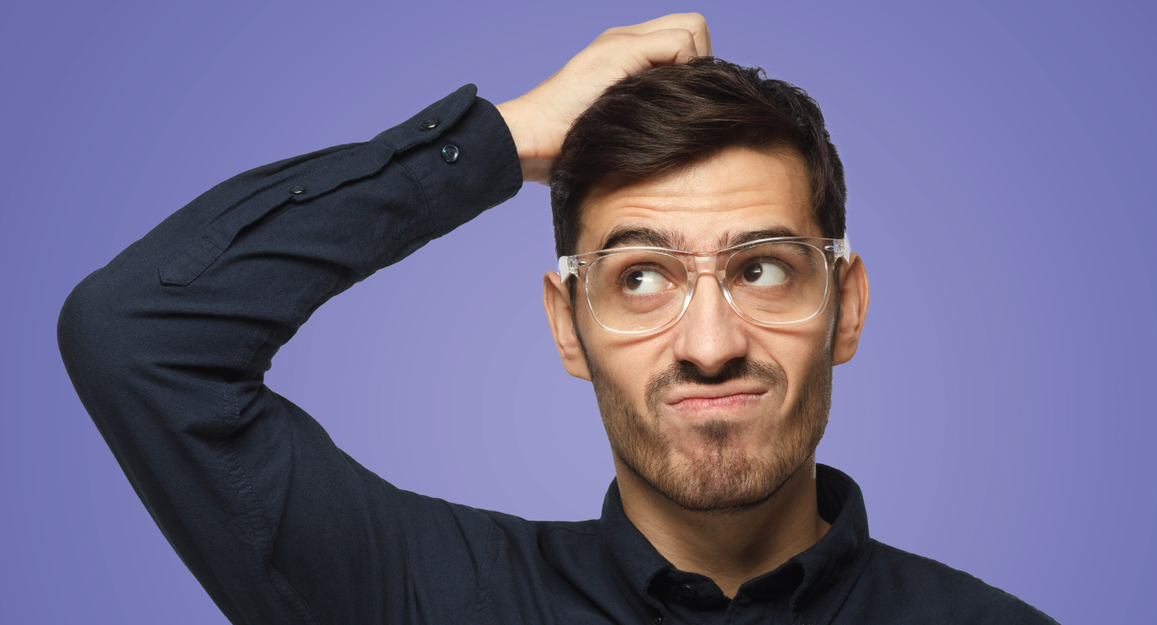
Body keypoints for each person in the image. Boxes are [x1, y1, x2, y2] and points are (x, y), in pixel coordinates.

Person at [58, 13, 1057, 625]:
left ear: (845, 306)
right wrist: (503, 138)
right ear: (566, 324)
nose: (709, 345)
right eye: (639, 278)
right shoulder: (423, 601)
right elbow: (139, 332)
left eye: (760, 268)